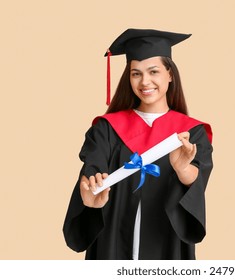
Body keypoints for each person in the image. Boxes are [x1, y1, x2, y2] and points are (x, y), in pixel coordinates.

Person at [63, 28, 213, 260]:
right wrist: (91, 195)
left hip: (166, 239)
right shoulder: (107, 128)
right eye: (136, 74)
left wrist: (183, 169)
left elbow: (198, 179)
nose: (145, 82)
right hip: (112, 237)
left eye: (154, 71)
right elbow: (92, 168)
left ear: (170, 74)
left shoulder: (190, 132)